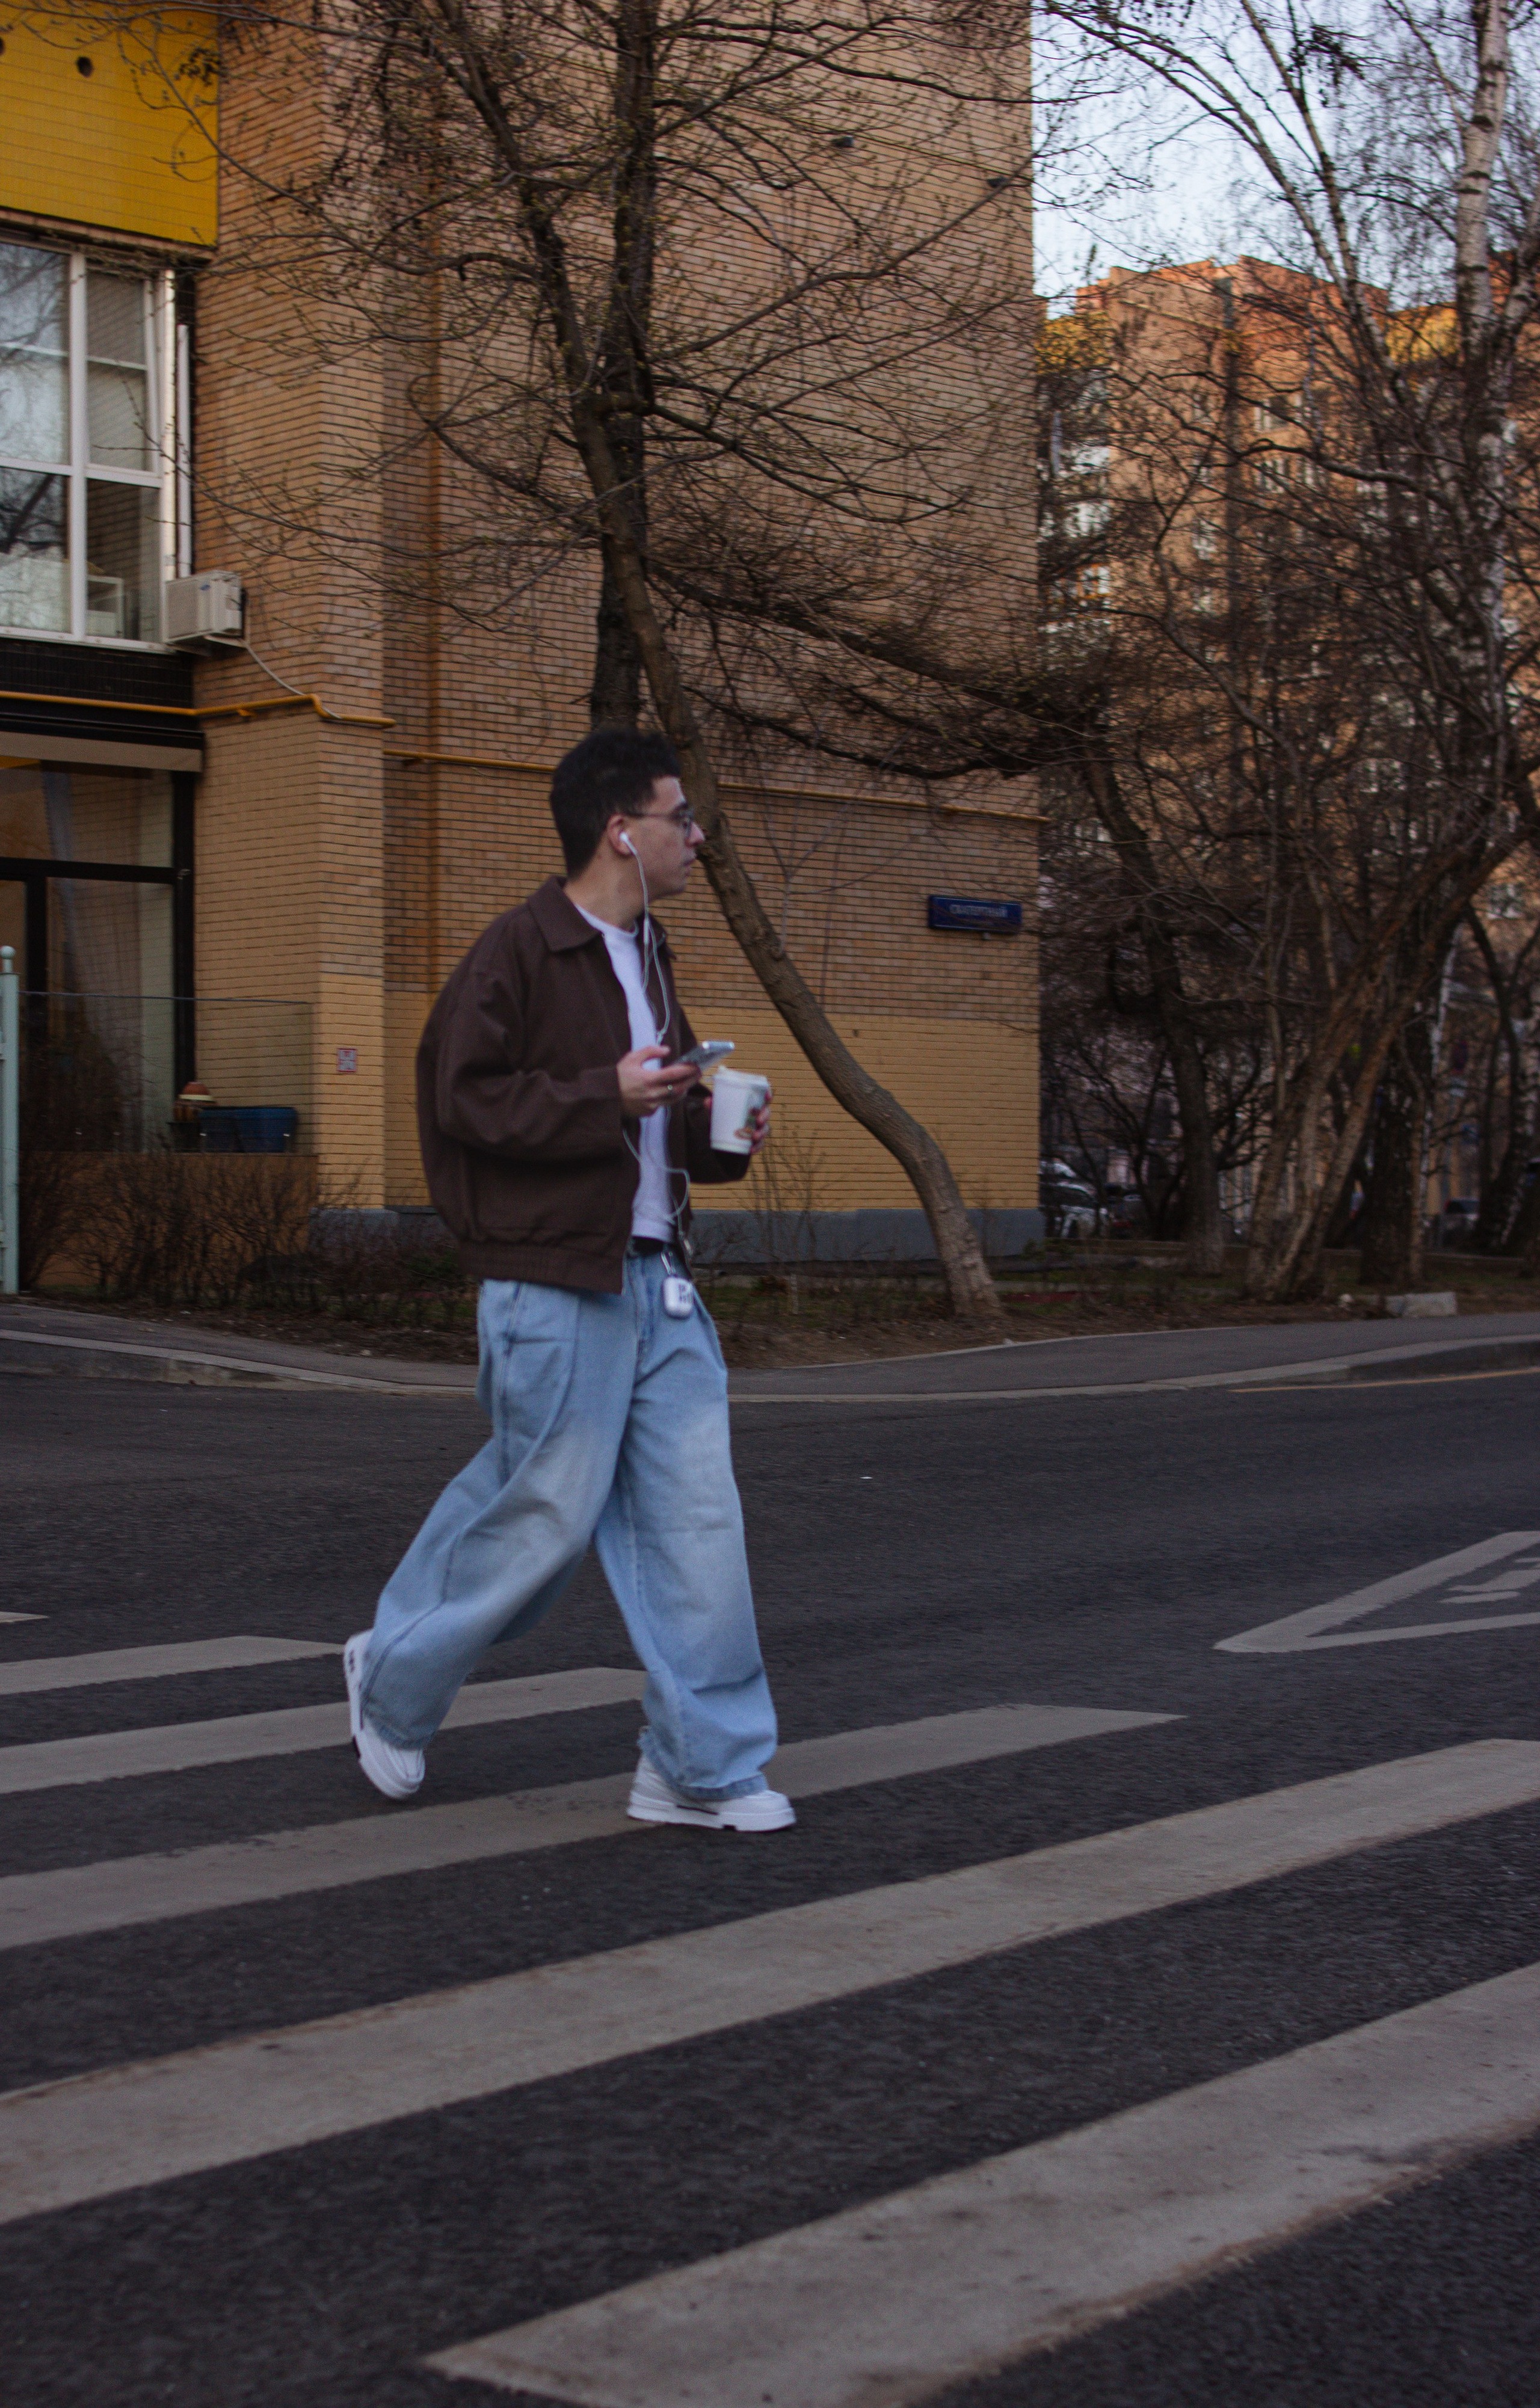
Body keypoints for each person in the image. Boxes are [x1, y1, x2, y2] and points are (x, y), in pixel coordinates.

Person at [343, 726, 793, 1832]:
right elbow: (465, 1103)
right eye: (679, 818)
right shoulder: (519, 951)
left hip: (657, 1282)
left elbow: (657, 1121)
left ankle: (698, 1767)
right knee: (538, 1512)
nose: (695, 838)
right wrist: (610, 1095)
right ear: (619, 832)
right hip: (552, 1284)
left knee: (698, 1526)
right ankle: (391, 1675)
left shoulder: (649, 956)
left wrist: (717, 1130)